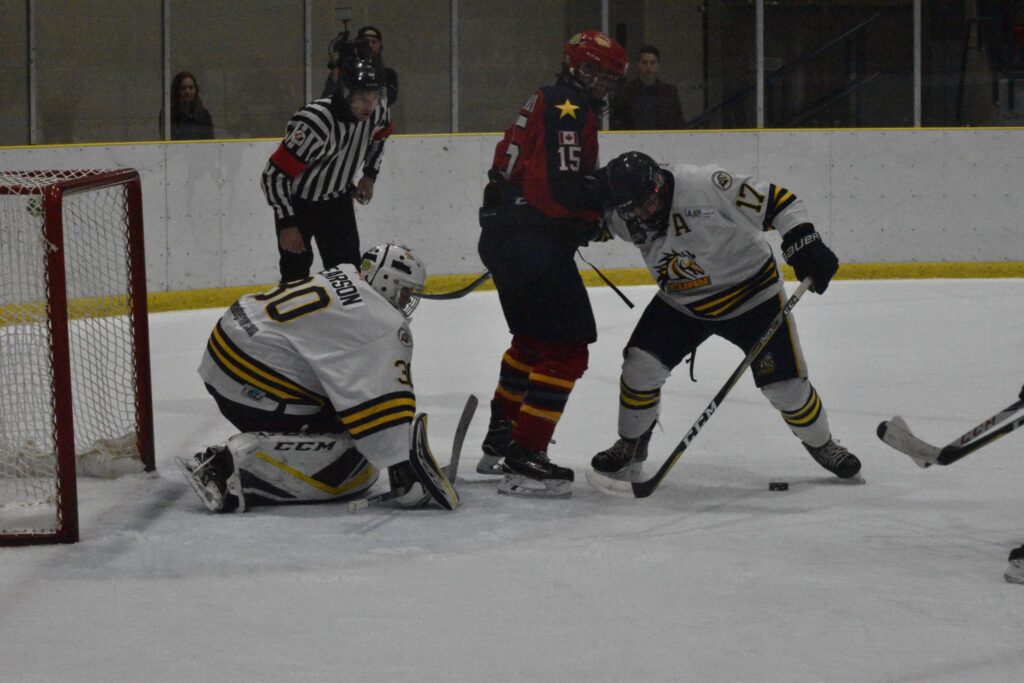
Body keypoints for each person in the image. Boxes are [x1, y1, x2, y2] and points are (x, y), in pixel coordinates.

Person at [588, 151, 861, 484]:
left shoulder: (707, 185)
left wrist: (803, 241)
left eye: (647, 203)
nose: (643, 214)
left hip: (753, 299)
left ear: (659, 183)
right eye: (633, 209)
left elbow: (782, 202)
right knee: (639, 366)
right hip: (682, 304)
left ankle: (823, 445)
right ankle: (632, 443)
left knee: (786, 388)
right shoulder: (622, 212)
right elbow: (587, 225)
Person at [178, 243, 458, 513]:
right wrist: (406, 468)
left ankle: (239, 461)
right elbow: (385, 413)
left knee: (340, 415)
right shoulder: (386, 323)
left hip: (225, 349)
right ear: (385, 281)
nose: (407, 301)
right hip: (252, 376)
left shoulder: (344, 272)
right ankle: (234, 470)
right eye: (405, 292)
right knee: (352, 466)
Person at [474, 31, 627, 498]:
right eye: (596, 73)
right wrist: (592, 210)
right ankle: (527, 453)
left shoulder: (546, 98)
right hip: (530, 240)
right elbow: (555, 191)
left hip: (505, 236)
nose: (602, 84)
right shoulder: (569, 109)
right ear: (577, 69)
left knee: (532, 341)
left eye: (608, 77)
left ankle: (502, 437)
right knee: (567, 348)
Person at [261, 60, 393, 283]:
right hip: (298, 205)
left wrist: (369, 175)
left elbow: (380, 136)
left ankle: (344, 319)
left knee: (348, 273)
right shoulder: (315, 123)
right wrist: (287, 223)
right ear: (346, 93)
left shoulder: (378, 110)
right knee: (295, 275)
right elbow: (274, 175)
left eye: (374, 97)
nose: (369, 105)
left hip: (337, 201)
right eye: (362, 97)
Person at [609, 45, 684, 131]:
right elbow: (616, 122)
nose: (648, 67)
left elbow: (678, 123)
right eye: (644, 62)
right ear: (638, 65)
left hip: (663, 142)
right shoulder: (625, 91)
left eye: (652, 63)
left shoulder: (670, 92)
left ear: (658, 65)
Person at [322, 25, 399, 104]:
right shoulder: (347, 73)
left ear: (380, 46)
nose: (370, 45)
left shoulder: (388, 74)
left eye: (374, 42)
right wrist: (336, 67)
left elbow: (389, 99)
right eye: (365, 42)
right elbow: (328, 99)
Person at [167, 71, 215, 140]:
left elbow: (210, 140)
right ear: (177, 91)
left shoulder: (204, 115)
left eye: (191, 87)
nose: (187, 91)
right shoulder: (168, 115)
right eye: (183, 88)